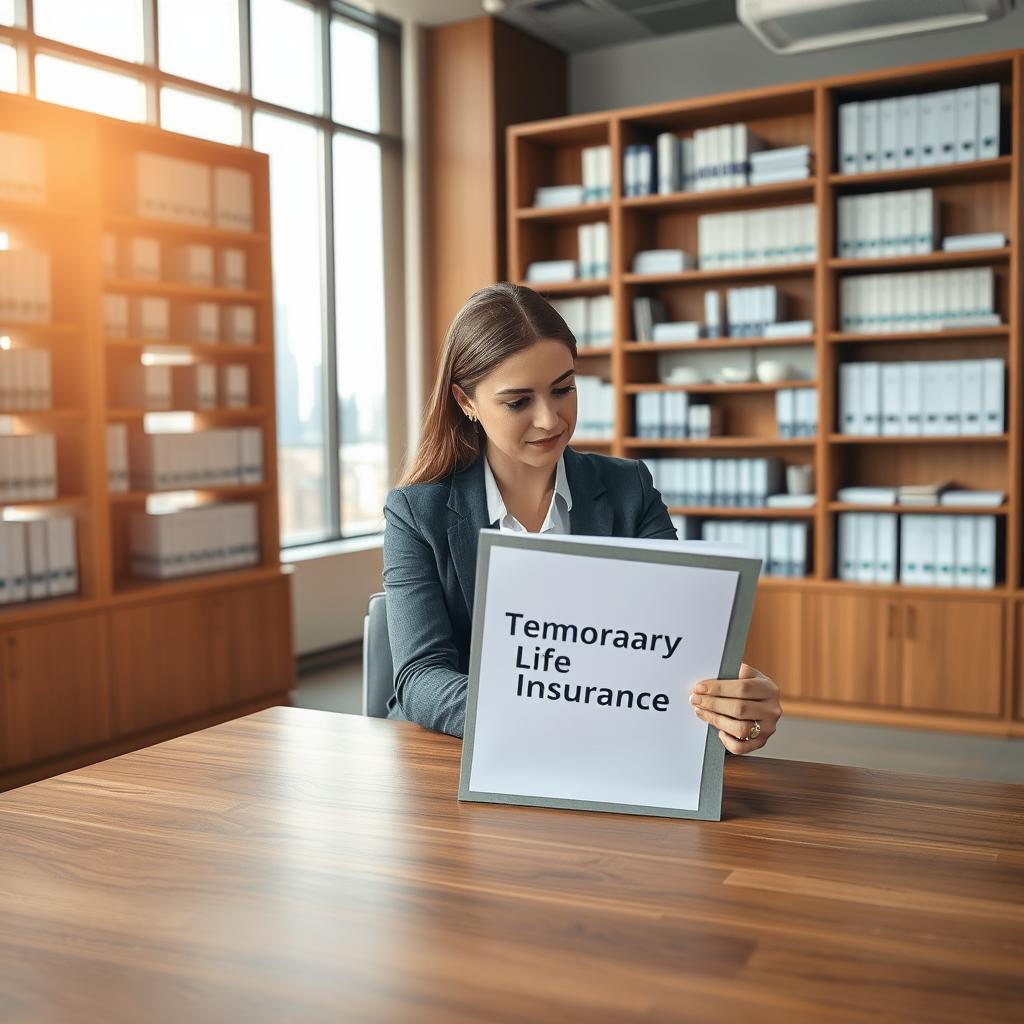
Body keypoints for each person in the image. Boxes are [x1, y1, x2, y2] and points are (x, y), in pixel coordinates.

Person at [383, 282, 782, 752]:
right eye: (518, 402)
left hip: (606, 749)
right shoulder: (416, 512)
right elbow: (420, 678)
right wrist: (559, 709)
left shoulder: (628, 488)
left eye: (563, 389)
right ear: (466, 402)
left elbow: (679, 643)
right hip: (463, 753)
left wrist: (734, 709)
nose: (550, 420)